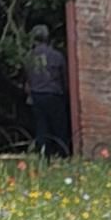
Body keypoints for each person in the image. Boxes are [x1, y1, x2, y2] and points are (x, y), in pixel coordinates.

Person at [22, 26, 70, 156]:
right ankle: (62, 154)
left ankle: (44, 156)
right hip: (54, 95)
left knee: (42, 127)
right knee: (59, 127)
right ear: (48, 38)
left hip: (36, 96)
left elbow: (27, 80)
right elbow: (64, 79)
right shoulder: (57, 56)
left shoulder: (28, 57)